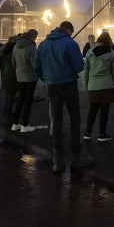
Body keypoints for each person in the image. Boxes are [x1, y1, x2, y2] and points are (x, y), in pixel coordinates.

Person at [34, 21, 92, 173]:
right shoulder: (70, 43)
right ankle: (76, 156)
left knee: (57, 118)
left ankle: (57, 158)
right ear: (68, 30)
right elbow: (80, 66)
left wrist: (46, 78)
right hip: (68, 84)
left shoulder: (43, 44)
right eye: (71, 33)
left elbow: (37, 67)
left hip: (51, 85)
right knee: (74, 118)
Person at [83, 31, 114, 142]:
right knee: (104, 111)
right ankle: (102, 134)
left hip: (93, 86)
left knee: (92, 110)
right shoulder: (110, 52)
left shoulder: (90, 52)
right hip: (107, 86)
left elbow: (86, 71)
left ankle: (87, 133)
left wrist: (86, 86)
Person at [11, 29, 39, 132]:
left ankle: (15, 123)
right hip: (30, 77)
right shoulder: (31, 48)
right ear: (32, 37)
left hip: (19, 77)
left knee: (21, 100)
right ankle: (25, 125)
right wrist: (39, 74)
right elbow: (35, 64)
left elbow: (13, 62)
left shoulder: (16, 47)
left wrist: (18, 72)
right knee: (28, 100)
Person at [0, 35, 19, 125]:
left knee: (8, 96)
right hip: (12, 76)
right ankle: (8, 116)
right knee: (11, 97)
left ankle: (5, 113)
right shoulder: (12, 54)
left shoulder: (4, 51)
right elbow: (15, 65)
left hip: (6, 75)